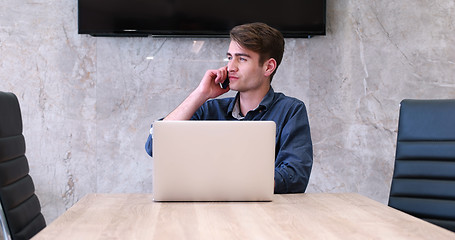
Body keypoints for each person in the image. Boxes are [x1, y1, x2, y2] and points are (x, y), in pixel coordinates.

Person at [145, 22, 313, 193]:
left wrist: (227, 182)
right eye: (230, 57)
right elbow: (155, 146)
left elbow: (295, 177)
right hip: (207, 211)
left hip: (264, 214)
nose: (231, 67)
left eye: (242, 58)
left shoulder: (291, 110)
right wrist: (201, 94)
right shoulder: (209, 109)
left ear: (268, 67)